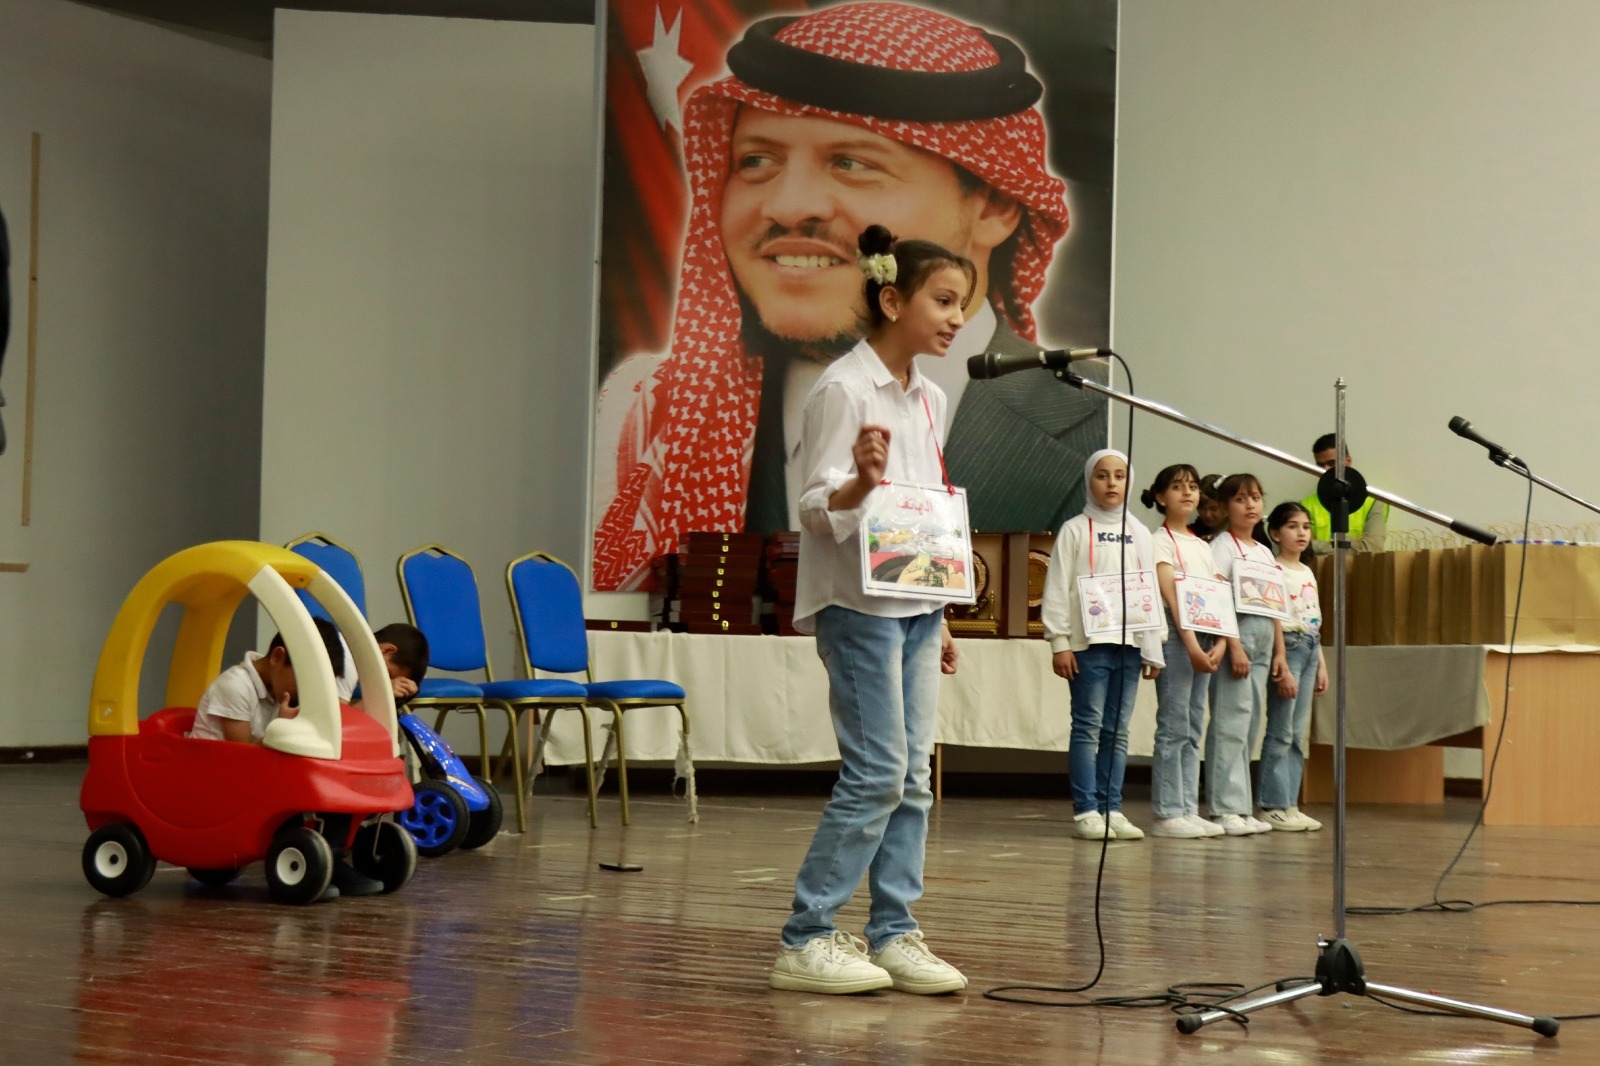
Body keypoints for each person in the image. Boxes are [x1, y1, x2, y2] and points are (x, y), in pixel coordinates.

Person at [593, 2, 1105, 591]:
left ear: (993, 206)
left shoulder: (1096, 419)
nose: (788, 206)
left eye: (852, 163)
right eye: (755, 161)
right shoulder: (651, 416)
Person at [770, 226, 966, 997]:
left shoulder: (932, 399)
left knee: (913, 778)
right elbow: (816, 509)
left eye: (962, 304)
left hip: (916, 604)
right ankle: (807, 936)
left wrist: (940, 612)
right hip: (858, 607)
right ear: (892, 300)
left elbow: (926, 514)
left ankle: (893, 932)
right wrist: (859, 481)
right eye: (943, 301)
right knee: (878, 773)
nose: (956, 318)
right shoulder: (843, 389)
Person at [1041, 449, 1165, 842]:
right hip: (1088, 645)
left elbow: (1149, 587)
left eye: (1119, 475)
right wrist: (1059, 642)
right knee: (1088, 727)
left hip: (1130, 644)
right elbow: (1056, 587)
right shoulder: (1075, 529)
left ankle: (1112, 808)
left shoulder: (1140, 532)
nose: (1111, 483)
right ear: (1088, 480)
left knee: (1118, 731)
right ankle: (1086, 810)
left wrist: (1153, 644)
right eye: (1102, 475)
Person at [1143, 464, 1227, 839]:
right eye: (1178, 487)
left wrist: (1220, 642)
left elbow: (1217, 597)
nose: (1188, 493)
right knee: (1174, 724)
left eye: (1192, 486)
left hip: (1204, 636)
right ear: (1161, 497)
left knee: (1193, 725)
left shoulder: (1202, 545)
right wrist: (1192, 644)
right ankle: (1167, 811)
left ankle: (1188, 807)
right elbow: (1172, 596)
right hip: (1179, 638)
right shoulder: (1158, 540)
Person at [1206, 474, 1288, 836]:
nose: (1250, 505)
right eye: (1240, 499)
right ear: (1225, 507)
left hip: (1264, 641)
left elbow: (1275, 606)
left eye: (1255, 497)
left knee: (1251, 725)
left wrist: (1280, 652)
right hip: (1236, 641)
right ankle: (1224, 808)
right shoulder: (1221, 547)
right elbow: (1216, 600)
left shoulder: (1264, 551)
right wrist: (1234, 645)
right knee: (1230, 725)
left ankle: (1241, 805)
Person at [1259, 502, 1327, 831]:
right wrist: (1281, 658)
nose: (1301, 532)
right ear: (1275, 533)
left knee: (1299, 733)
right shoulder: (1273, 569)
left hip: (1310, 646)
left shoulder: (1307, 571)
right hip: (1289, 644)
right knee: (1281, 729)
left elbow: (1313, 618)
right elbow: (1274, 617)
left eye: (1306, 526)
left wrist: (1322, 663)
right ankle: (1272, 804)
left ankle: (1290, 802)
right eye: (1292, 526)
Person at [187, 617, 345, 744]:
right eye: (303, 682)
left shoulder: (278, 689)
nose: (305, 693)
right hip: (209, 769)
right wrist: (281, 728)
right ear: (277, 657)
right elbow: (244, 759)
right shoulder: (235, 686)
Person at [1301, 433, 1388, 556]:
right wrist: (1353, 543)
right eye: (1320, 465)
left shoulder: (1374, 501)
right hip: (1317, 568)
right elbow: (1303, 549)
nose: (1325, 470)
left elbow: (1372, 547)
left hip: (1359, 568)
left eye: (1332, 463)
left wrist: (1318, 545)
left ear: (1348, 461)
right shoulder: (1306, 505)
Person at [335, 622, 429, 706]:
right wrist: (382, 697)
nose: (389, 684)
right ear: (387, 650)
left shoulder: (345, 642)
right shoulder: (348, 663)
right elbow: (337, 720)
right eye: (388, 675)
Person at [1190, 473, 1227, 541]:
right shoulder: (1190, 534)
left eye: (1214, 509)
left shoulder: (1243, 532)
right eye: (1202, 508)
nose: (1208, 515)